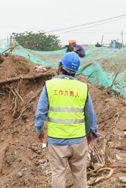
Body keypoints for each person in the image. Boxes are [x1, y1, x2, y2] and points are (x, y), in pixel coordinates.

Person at [35, 52, 97, 188]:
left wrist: (39, 130)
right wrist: (91, 133)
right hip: (79, 140)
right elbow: (90, 115)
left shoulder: (50, 86)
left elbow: (40, 113)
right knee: (80, 176)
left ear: (60, 66)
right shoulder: (83, 88)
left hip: (57, 141)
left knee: (58, 174)